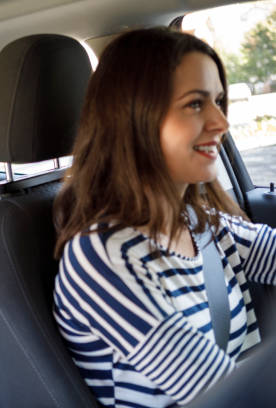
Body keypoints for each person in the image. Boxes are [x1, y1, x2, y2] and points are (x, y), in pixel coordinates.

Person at [52, 27, 276, 408]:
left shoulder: (203, 223)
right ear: (135, 117)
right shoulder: (102, 257)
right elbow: (220, 394)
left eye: (219, 102)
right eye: (195, 104)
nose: (221, 123)